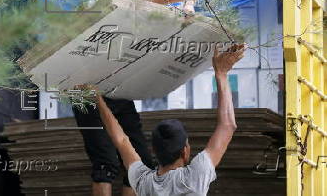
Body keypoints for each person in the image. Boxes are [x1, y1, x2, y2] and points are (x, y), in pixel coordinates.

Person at [72, 0, 199, 196]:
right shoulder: (91, 8)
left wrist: (189, 7)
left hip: (119, 90)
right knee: (105, 163)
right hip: (86, 92)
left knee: (140, 160)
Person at [76, 43, 246, 196]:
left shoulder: (143, 180)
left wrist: (98, 98)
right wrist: (221, 73)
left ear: (155, 151)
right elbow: (228, 125)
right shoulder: (195, 178)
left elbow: (120, 140)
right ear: (185, 151)